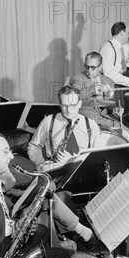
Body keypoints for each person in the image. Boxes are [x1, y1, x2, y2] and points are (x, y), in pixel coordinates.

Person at [26, 85, 101, 246]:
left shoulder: (91, 125)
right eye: (64, 105)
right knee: (57, 195)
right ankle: (69, 238)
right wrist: (40, 163)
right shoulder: (49, 122)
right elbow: (33, 146)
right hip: (57, 176)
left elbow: (98, 157)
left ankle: (80, 234)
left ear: (80, 103)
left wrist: (73, 159)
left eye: (73, 105)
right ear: (59, 104)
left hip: (82, 177)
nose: (68, 110)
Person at [70, 52, 117, 131]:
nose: (89, 70)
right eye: (87, 67)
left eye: (93, 68)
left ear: (100, 67)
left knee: (127, 134)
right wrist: (93, 89)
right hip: (85, 119)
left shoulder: (109, 82)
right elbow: (76, 96)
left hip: (104, 119)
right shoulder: (77, 79)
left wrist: (115, 109)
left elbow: (110, 105)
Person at [99, 22, 129, 90]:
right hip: (111, 86)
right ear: (122, 33)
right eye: (127, 33)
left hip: (120, 82)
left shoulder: (122, 47)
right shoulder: (107, 49)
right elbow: (109, 75)